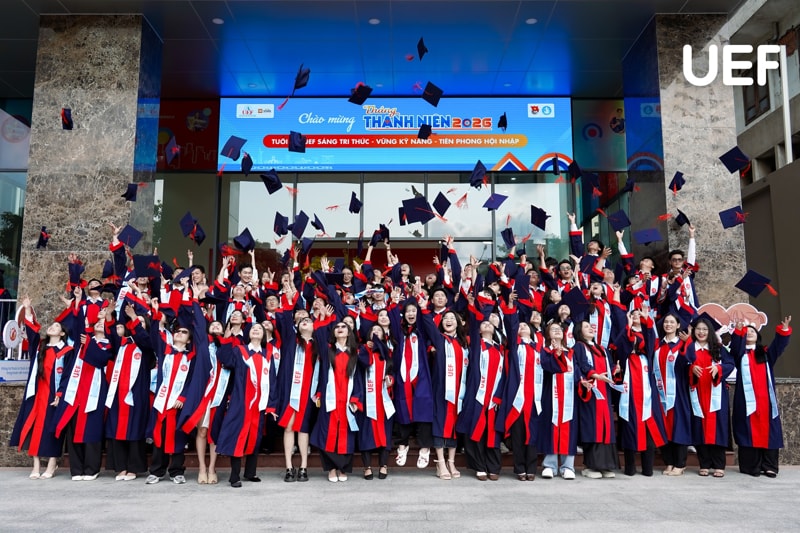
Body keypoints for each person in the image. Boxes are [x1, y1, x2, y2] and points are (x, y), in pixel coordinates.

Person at [9, 296, 73, 480]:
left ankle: (52, 463)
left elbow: (67, 375)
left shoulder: (66, 351)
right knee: (33, 427)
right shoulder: (40, 347)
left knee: (52, 428)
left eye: (57, 326)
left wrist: (60, 394)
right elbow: (32, 333)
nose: (52, 327)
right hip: (36, 394)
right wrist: (28, 310)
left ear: (62, 334)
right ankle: (36, 465)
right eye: (51, 325)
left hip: (53, 395)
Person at [54, 306, 115, 481]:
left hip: (95, 390)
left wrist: (90, 341)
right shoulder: (81, 342)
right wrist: (78, 301)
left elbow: (100, 359)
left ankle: (91, 468)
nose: (100, 324)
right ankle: (76, 469)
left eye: (103, 323)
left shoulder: (109, 345)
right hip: (75, 390)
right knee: (73, 428)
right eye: (98, 322)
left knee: (92, 428)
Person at [216, 322, 278, 487]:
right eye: (253, 329)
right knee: (238, 436)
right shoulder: (240, 351)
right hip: (241, 402)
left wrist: (271, 405)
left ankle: (250, 472)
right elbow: (226, 361)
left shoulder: (268, 355)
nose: (256, 330)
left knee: (255, 437)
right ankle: (234, 476)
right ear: (248, 334)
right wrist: (227, 340)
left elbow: (272, 380)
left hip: (259, 404)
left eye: (259, 329)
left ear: (264, 335)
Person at [730, 316, 792, 477]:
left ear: (758, 335)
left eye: (752, 331)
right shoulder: (739, 354)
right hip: (746, 402)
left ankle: (769, 465)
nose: (749, 332)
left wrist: (784, 330)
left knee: (770, 431)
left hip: (766, 402)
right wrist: (739, 330)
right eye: (746, 331)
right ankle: (751, 466)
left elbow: (779, 346)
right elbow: (735, 346)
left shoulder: (765, 354)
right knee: (748, 431)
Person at [104, 303, 155, 481]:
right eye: (134, 322)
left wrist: (134, 317)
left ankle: (134, 467)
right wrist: (109, 316)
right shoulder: (123, 344)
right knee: (117, 429)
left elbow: (144, 339)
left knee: (135, 429)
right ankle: (121, 467)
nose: (137, 324)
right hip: (118, 394)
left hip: (136, 394)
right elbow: (111, 337)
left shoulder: (147, 347)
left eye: (141, 322)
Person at [614, 307, 667, 476]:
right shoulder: (625, 333)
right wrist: (628, 326)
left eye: (638, 314)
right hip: (629, 387)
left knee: (648, 425)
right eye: (633, 314)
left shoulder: (647, 336)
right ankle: (630, 467)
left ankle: (647, 467)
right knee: (630, 426)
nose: (636, 316)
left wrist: (646, 320)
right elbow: (620, 347)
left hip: (646, 388)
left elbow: (651, 342)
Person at [310, 321, 363, 482]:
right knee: (327, 433)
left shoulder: (355, 353)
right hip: (330, 399)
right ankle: (331, 468)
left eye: (343, 327)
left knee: (347, 434)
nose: (340, 329)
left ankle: (343, 468)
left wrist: (356, 398)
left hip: (347, 400)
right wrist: (324, 318)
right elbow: (321, 375)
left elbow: (359, 378)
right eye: (337, 327)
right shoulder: (328, 351)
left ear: (349, 332)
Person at [419, 308, 468, 481]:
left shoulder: (464, 344)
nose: (448, 320)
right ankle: (440, 462)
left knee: (454, 424)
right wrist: (424, 308)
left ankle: (451, 462)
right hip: (441, 390)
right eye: (445, 318)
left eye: (452, 318)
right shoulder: (440, 340)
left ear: (458, 323)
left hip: (459, 392)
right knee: (440, 423)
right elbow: (429, 326)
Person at [685, 316, 734, 477]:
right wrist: (691, 369)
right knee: (700, 427)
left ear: (710, 331)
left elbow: (730, 364)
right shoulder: (689, 348)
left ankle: (719, 465)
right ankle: (704, 463)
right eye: (698, 329)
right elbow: (681, 366)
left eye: (705, 329)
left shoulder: (718, 348)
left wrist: (718, 369)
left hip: (716, 394)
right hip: (697, 393)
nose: (701, 332)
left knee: (718, 428)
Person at [573, 320, 618, 479]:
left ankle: (606, 466)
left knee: (606, 427)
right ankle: (590, 466)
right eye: (586, 327)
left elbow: (609, 366)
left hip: (604, 391)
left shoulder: (602, 349)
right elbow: (582, 365)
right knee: (592, 427)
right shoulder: (579, 347)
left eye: (590, 326)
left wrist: (615, 369)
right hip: (591, 391)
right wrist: (594, 375)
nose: (590, 328)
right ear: (579, 331)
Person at [500, 315, 543, 481]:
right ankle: (519, 468)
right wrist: (512, 308)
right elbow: (511, 326)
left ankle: (531, 468)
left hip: (534, 397)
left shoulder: (538, 349)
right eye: (520, 326)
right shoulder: (514, 346)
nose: (523, 327)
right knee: (518, 434)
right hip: (518, 397)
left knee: (531, 434)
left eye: (525, 325)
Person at [538, 321, 579, 480]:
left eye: (559, 329)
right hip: (551, 394)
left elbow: (577, 372)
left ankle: (568, 466)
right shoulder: (545, 351)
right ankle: (550, 465)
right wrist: (557, 354)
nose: (556, 331)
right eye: (552, 329)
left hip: (569, 396)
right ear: (548, 334)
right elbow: (549, 367)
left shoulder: (572, 352)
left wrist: (582, 381)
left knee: (569, 428)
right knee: (551, 426)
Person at [653, 313, 692, 476]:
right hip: (660, 393)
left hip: (678, 392)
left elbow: (691, 360)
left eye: (672, 322)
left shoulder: (682, 344)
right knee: (664, 426)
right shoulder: (658, 345)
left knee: (679, 426)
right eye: (666, 322)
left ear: (678, 325)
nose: (668, 324)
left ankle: (680, 463)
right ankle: (668, 462)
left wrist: (688, 342)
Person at [356, 324, 395, 480]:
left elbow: (392, 372)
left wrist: (390, 379)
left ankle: (383, 465)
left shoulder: (388, 353)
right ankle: (367, 467)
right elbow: (363, 364)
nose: (376, 332)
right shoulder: (362, 350)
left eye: (379, 330)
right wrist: (368, 348)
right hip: (367, 399)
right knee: (366, 433)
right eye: (373, 330)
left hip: (383, 399)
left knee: (385, 432)